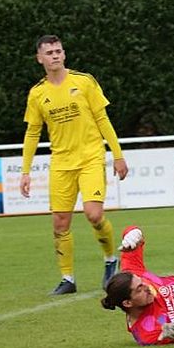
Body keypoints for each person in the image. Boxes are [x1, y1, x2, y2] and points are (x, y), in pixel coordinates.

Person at [20, 35, 129, 295]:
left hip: (91, 157)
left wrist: (117, 154)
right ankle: (67, 278)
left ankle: (110, 259)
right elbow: (33, 133)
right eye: (49, 52)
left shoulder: (84, 81)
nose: (55, 56)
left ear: (64, 54)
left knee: (93, 214)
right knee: (59, 223)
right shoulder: (37, 93)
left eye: (59, 51)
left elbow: (102, 119)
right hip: (61, 163)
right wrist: (26, 171)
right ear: (40, 58)